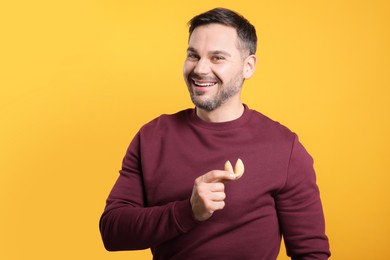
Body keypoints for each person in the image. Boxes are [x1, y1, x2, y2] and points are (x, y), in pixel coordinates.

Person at [99, 7, 331, 259]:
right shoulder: (152, 137)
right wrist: (188, 211)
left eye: (217, 58)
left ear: (248, 66)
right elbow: (112, 231)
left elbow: (311, 253)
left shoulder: (284, 148)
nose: (200, 69)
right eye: (193, 56)